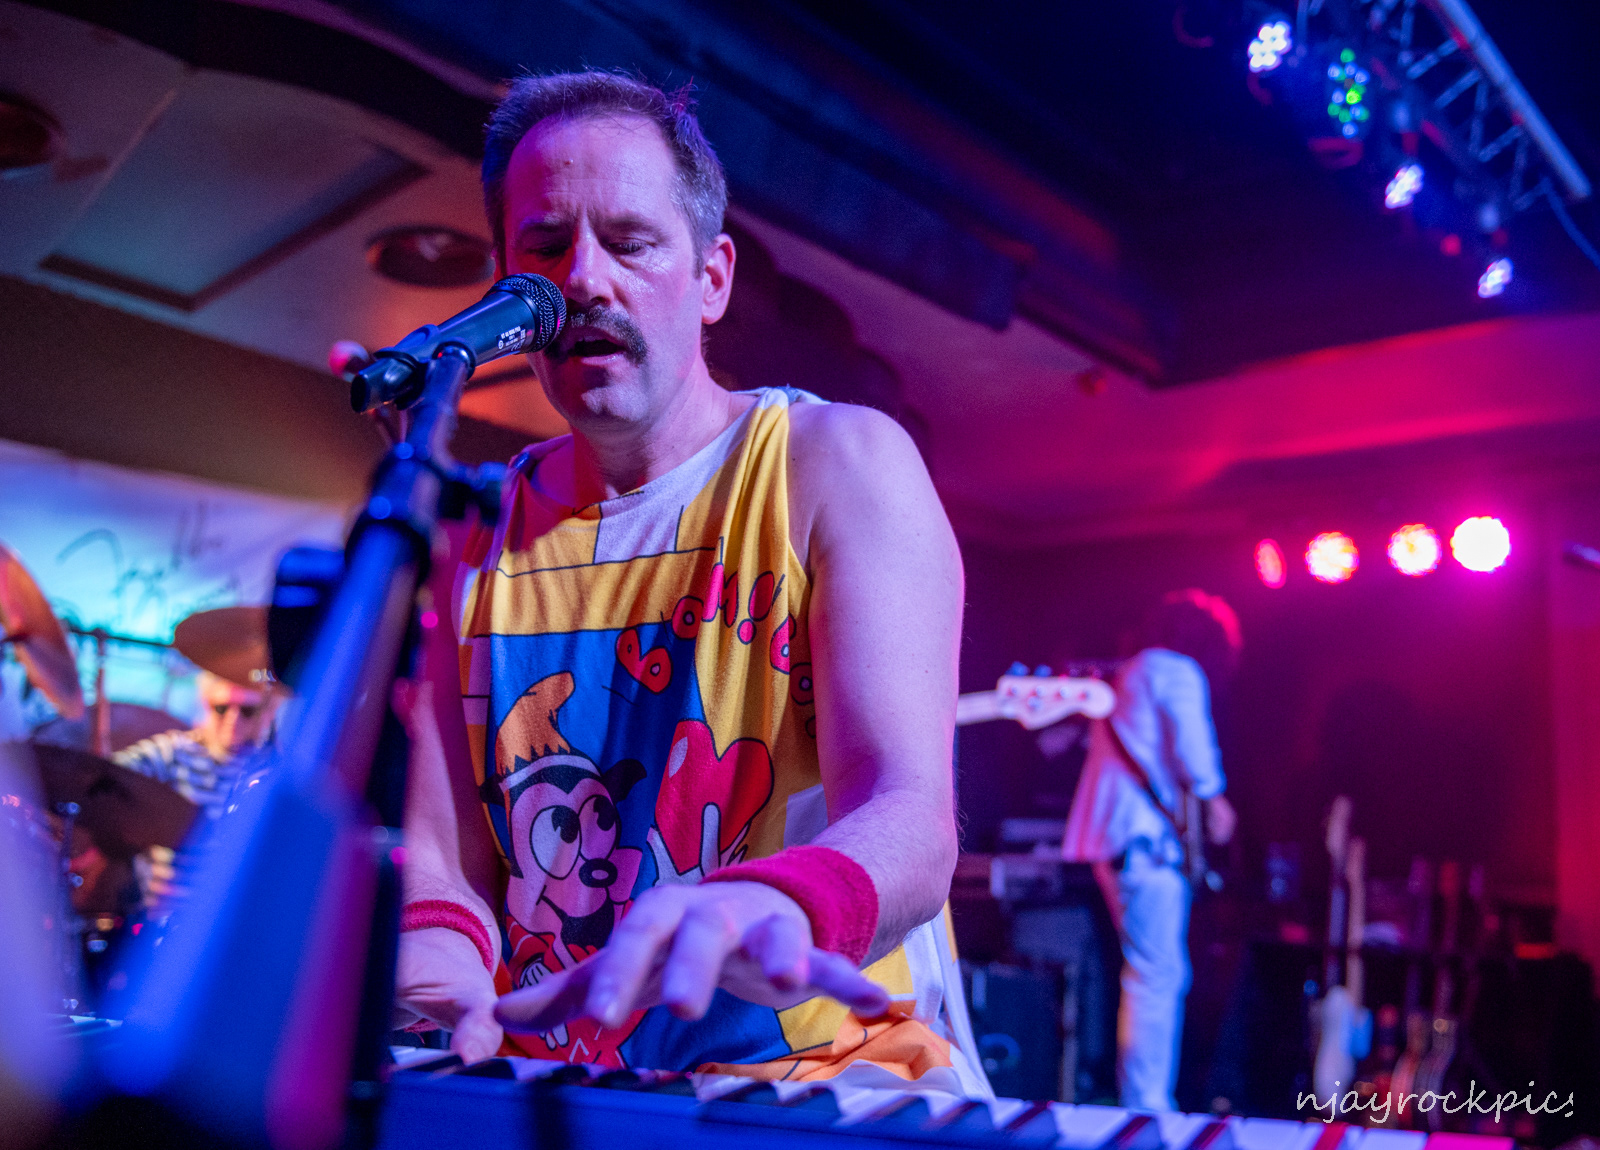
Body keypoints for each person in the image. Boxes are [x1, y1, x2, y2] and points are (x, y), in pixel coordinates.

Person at [392, 72, 974, 1088]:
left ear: (712, 279)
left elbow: (910, 816)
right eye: (544, 247)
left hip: (823, 1070)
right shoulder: (471, 530)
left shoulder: (833, 463)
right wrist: (444, 982)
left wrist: (781, 903)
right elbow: (441, 861)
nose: (583, 279)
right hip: (557, 1080)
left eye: (630, 242)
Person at [1061, 590, 1241, 1111]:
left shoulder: (1132, 671)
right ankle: (1147, 1105)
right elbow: (1193, 751)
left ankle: (1141, 1097)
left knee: (1150, 971)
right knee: (1156, 975)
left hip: (1116, 842)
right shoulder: (1176, 671)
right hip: (1146, 845)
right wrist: (1215, 798)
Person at [115, 670, 281, 905]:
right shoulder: (174, 751)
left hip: (234, 909)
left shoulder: (274, 770)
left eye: (247, 710)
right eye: (221, 708)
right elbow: (104, 778)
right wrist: (140, 857)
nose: (233, 720)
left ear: (265, 713)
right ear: (206, 704)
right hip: (166, 910)